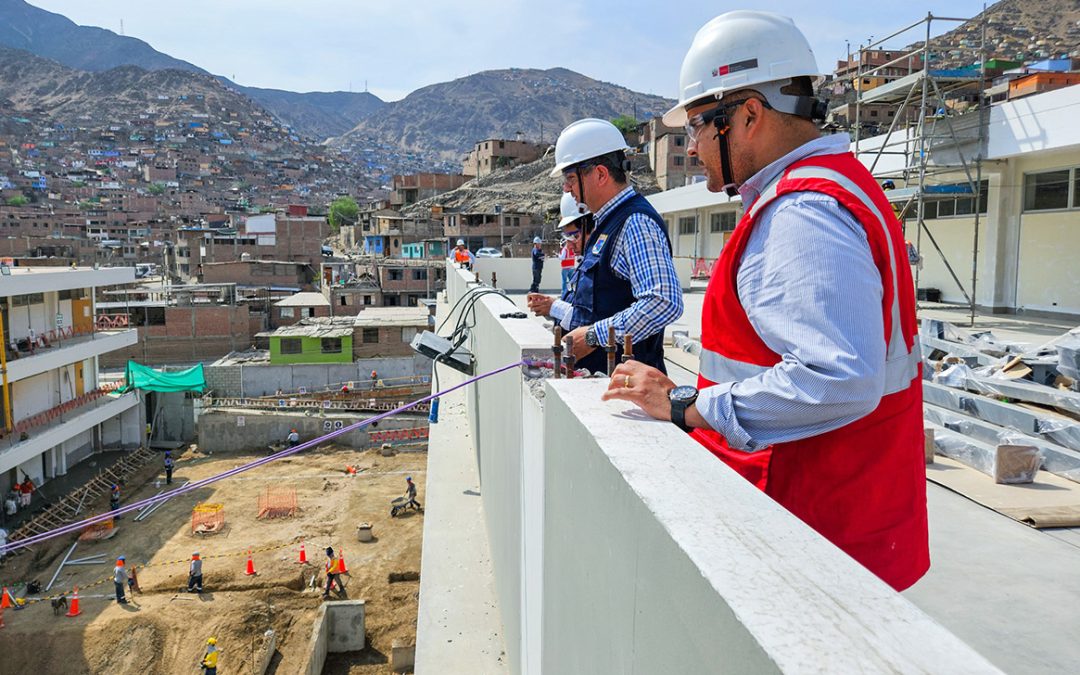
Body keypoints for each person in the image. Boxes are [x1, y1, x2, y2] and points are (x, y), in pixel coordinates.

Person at [603, 10, 928, 592]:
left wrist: (685, 406)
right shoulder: (836, 184)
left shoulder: (803, 214)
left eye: (701, 125)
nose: (695, 144)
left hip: (809, 535)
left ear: (749, 113)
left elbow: (839, 380)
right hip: (840, 525)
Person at [527, 118, 683, 374]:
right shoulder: (607, 223)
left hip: (629, 387)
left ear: (600, 174)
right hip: (607, 381)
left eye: (570, 178)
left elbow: (663, 302)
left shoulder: (635, 223)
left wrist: (592, 336)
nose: (567, 189)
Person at [557, 193, 584, 294]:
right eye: (569, 238)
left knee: (565, 283)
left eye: (575, 236)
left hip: (566, 268)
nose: (571, 246)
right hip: (571, 267)